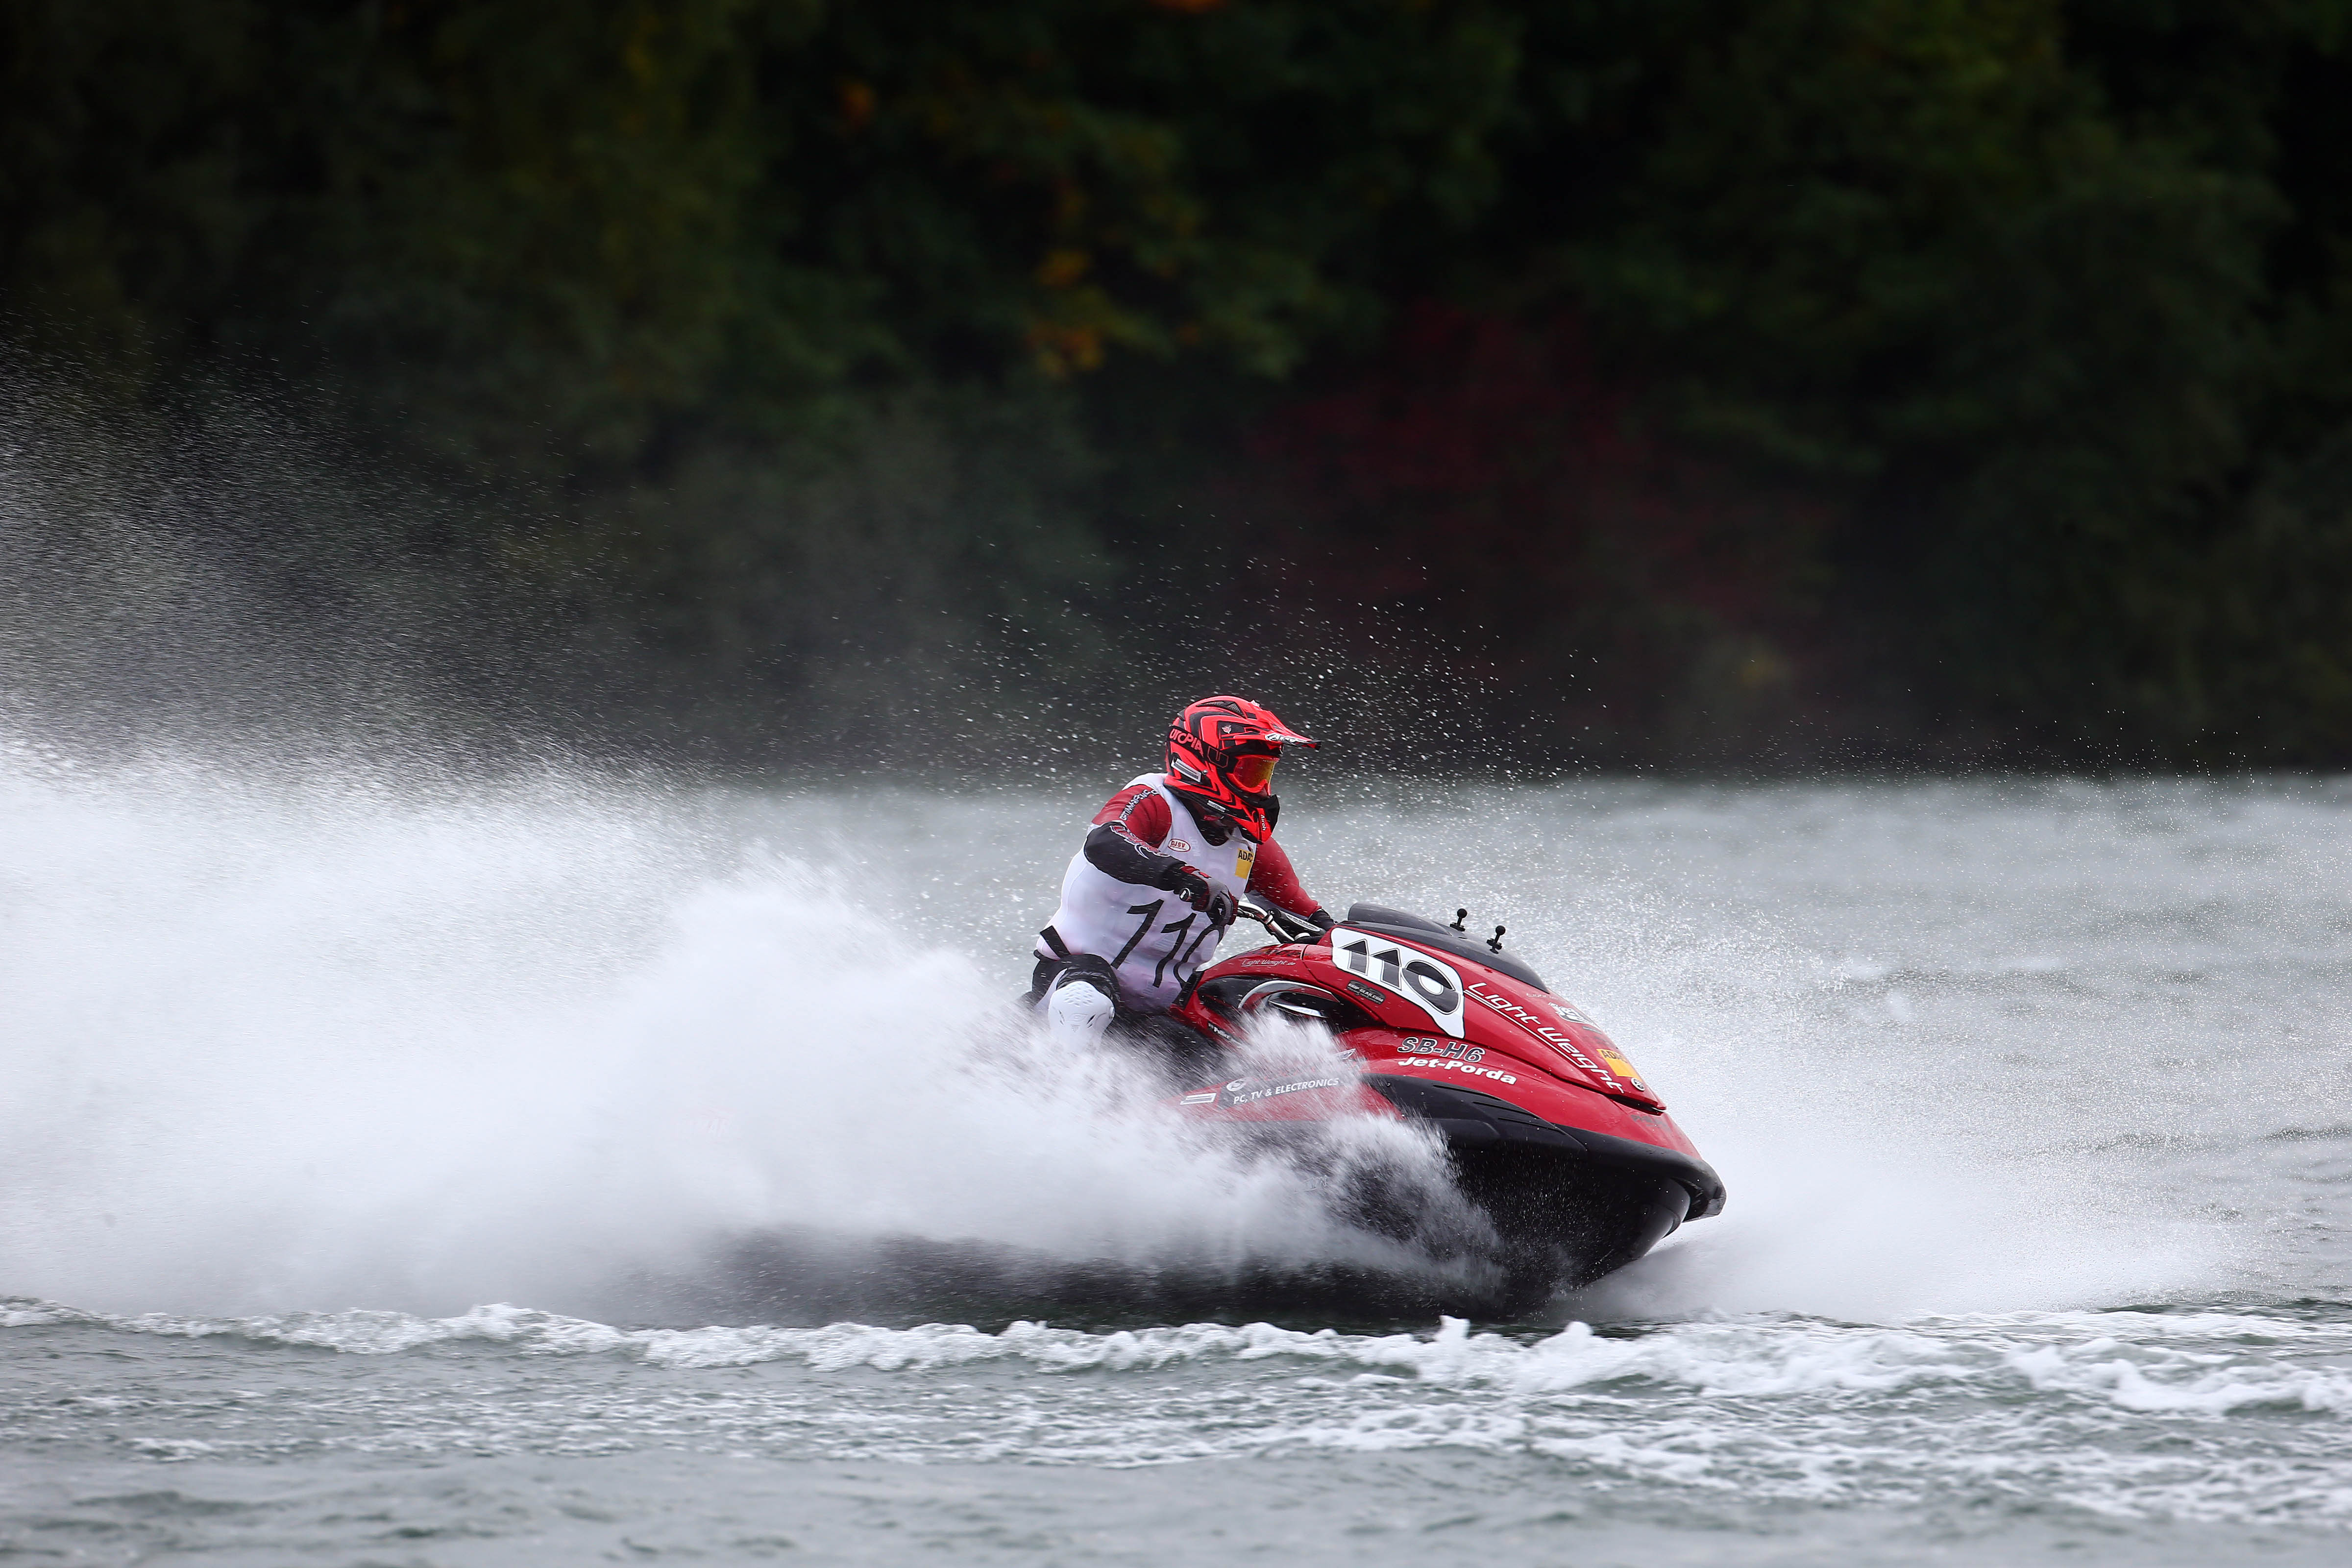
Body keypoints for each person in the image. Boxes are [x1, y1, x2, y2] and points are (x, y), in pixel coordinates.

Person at [1031, 695, 1335, 1048]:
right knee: (1085, 1002)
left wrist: (1341, 938)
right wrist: (1183, 876)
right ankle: (1062, 1077)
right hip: (1074, 977)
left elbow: (1303, 911)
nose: (1262, 789)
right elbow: (1104, 841)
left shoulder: (1249, 844)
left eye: (1265, 774)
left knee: (1242, 1033)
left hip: (1161, 1004)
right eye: (1252, 773)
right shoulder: (1154, 800)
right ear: (1203, 762)